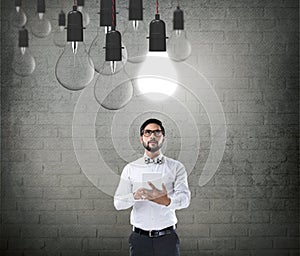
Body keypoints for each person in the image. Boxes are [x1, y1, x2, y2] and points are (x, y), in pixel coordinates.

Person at [114, 118, 191, 256]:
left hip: (167, 239)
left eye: (157, 132)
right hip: (139, 239)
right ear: (141, 138)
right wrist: (135, 196)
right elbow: (118, 203)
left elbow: (185, 199)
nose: (152, 136)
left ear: (163, 138)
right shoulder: (130, 168)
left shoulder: (176, 167)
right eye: (147, 132)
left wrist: (167, 201)